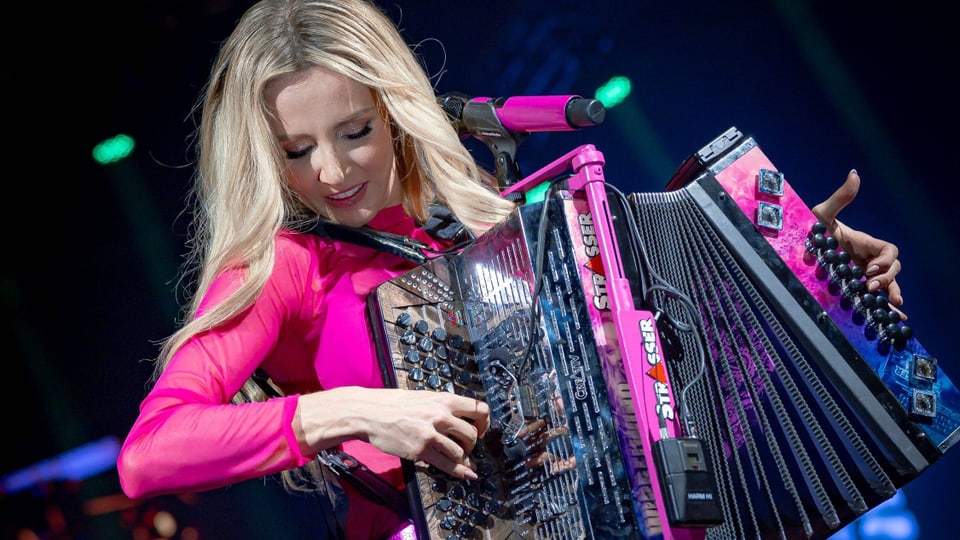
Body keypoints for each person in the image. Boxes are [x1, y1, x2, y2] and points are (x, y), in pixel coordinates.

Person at [115, 0, 905, 538]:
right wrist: (356, 409)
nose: (330, 171)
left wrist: (799, 268)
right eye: (295, 150)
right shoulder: (286, 266)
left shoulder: (492, 216)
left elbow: (653, 373)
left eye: (354, 130)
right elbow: (149, 454)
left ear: (395, 108)